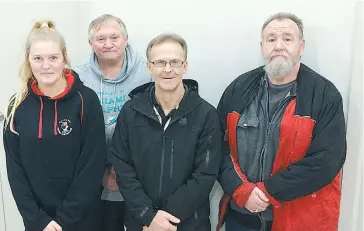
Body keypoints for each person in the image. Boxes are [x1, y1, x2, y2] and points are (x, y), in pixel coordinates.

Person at [216, 12, 346, 231]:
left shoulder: (324, 95)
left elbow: (326, 162)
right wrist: (241, 190)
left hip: (297, 220)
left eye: (287, 38)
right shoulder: (239, 89)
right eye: (271, 39)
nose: (278, 46)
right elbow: (215, 146)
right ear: (262, 47)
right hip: (242, 216)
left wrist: (268, 191)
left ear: (301, 47)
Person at [109, 33, 222, 231]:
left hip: (188, 224)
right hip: (141, 222)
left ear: (185, 66)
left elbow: (205, 175)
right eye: (160, 62)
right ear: (149, 67)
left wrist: (164, 221)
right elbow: (123, 168)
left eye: (175, 62)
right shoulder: (131, 111)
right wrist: (148, 216)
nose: (168, 69)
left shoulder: (206, 115)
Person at [3, 20, 106, 231]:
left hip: (82, 219)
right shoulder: (17, 106)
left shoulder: (86, 100)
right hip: (38, 223)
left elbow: (93, 165)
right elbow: (15, 173)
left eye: (53, 58)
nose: (46, 65)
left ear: (64, 58)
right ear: (28, 60)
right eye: (38, 58)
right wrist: (38, 221)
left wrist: (64, 220)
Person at [74, 14, 152, 231]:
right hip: (95, 175)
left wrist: (123, 171)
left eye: (114, 37)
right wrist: (103, 170)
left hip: (141, 176)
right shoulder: (77, 77)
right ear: (90, 43)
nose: (108, 44)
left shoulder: (147, 72)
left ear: (126, 38)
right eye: (100, 39)